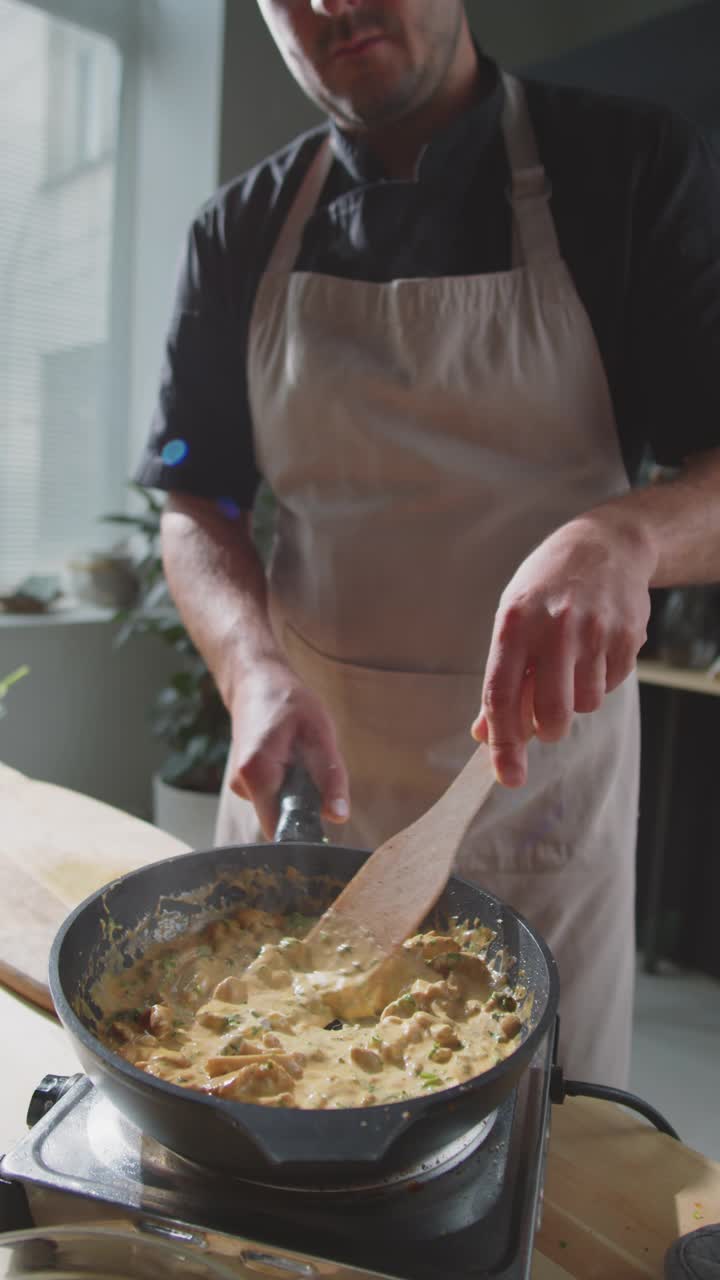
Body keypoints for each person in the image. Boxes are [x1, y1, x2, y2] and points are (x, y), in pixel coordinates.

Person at [135, 0, 720, 1087]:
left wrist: (625, 532)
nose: (328, 6)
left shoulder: (626, 167)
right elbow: (195, 502)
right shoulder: (240, 228)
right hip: (304, 777)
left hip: (539, 792)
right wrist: (252, 670)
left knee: (523, 1168)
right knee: (263, 1148)